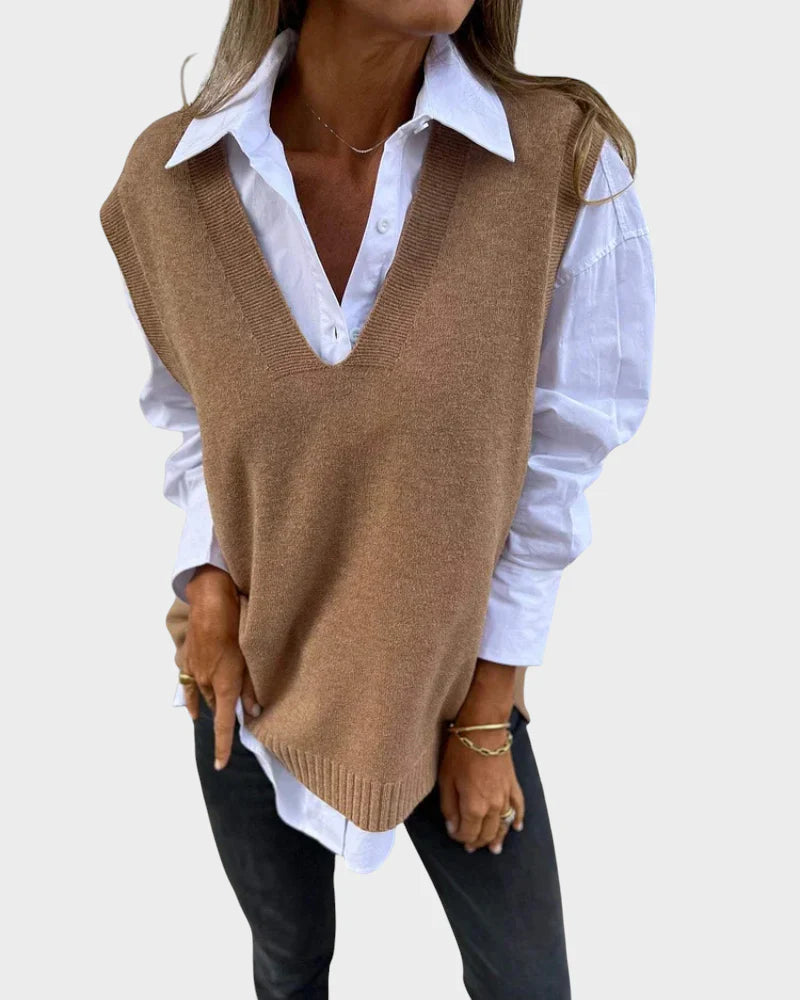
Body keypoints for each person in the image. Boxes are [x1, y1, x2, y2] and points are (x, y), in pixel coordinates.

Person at [100, 1, 655, 996]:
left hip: (449, 690)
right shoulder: (173, 184)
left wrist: (487, 715)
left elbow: (561, 460)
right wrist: (208, 583)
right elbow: (189, 412)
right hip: (248, 675)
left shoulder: (556, 166)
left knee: (528, 984)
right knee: (289, 970)